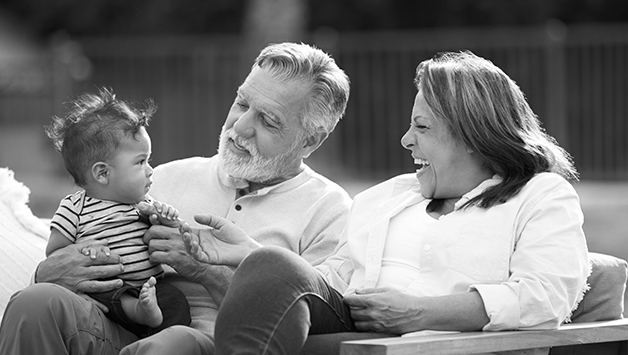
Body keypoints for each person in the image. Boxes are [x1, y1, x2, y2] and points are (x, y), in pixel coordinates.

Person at [181, 51, 590, 355]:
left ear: (473, 136)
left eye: (422, 127)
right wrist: (253, 257)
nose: (405, 140)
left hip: (444, 343)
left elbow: (546, 296)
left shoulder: (540, 196)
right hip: (353, 320)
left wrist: (420, 313)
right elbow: (332, 279)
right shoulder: (390, 195)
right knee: (272, 262)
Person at [0, 41, 352, 355]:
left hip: (213, 344)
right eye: (241, 102)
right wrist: (52, 270)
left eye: (268, 121)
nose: (239, 127)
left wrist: (202, 269)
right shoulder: (161, 177)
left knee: (172, 343)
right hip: (122, 327)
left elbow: (314, 324)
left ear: (310, 140)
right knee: (36, 302)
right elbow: (77, 233)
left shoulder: (330, 212)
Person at [43, 88, 191, 338]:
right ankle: (139, 315)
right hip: (108, 293)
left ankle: (159, 339)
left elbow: (166, 234)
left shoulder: (142, 203)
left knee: (175, 300)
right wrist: (84, 250)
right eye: (141, 162)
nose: (150, 170)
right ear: (102, 173)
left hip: (150, 286)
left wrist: (164, 218)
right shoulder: (74, 207)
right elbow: (55, 254)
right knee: (102, 296)